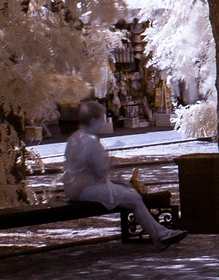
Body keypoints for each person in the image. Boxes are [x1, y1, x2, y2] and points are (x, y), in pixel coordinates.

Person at [64, 101, 187, 250]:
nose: (101, 125)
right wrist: (110, 158)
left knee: (131, 194)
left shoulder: (74, 137)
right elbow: (101, 171)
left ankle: (161, 233)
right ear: (93, 121)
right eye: (100, 121)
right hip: (86, 188)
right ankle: (159, 236)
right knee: (134, 197)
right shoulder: (91, 141)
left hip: (74, 188)